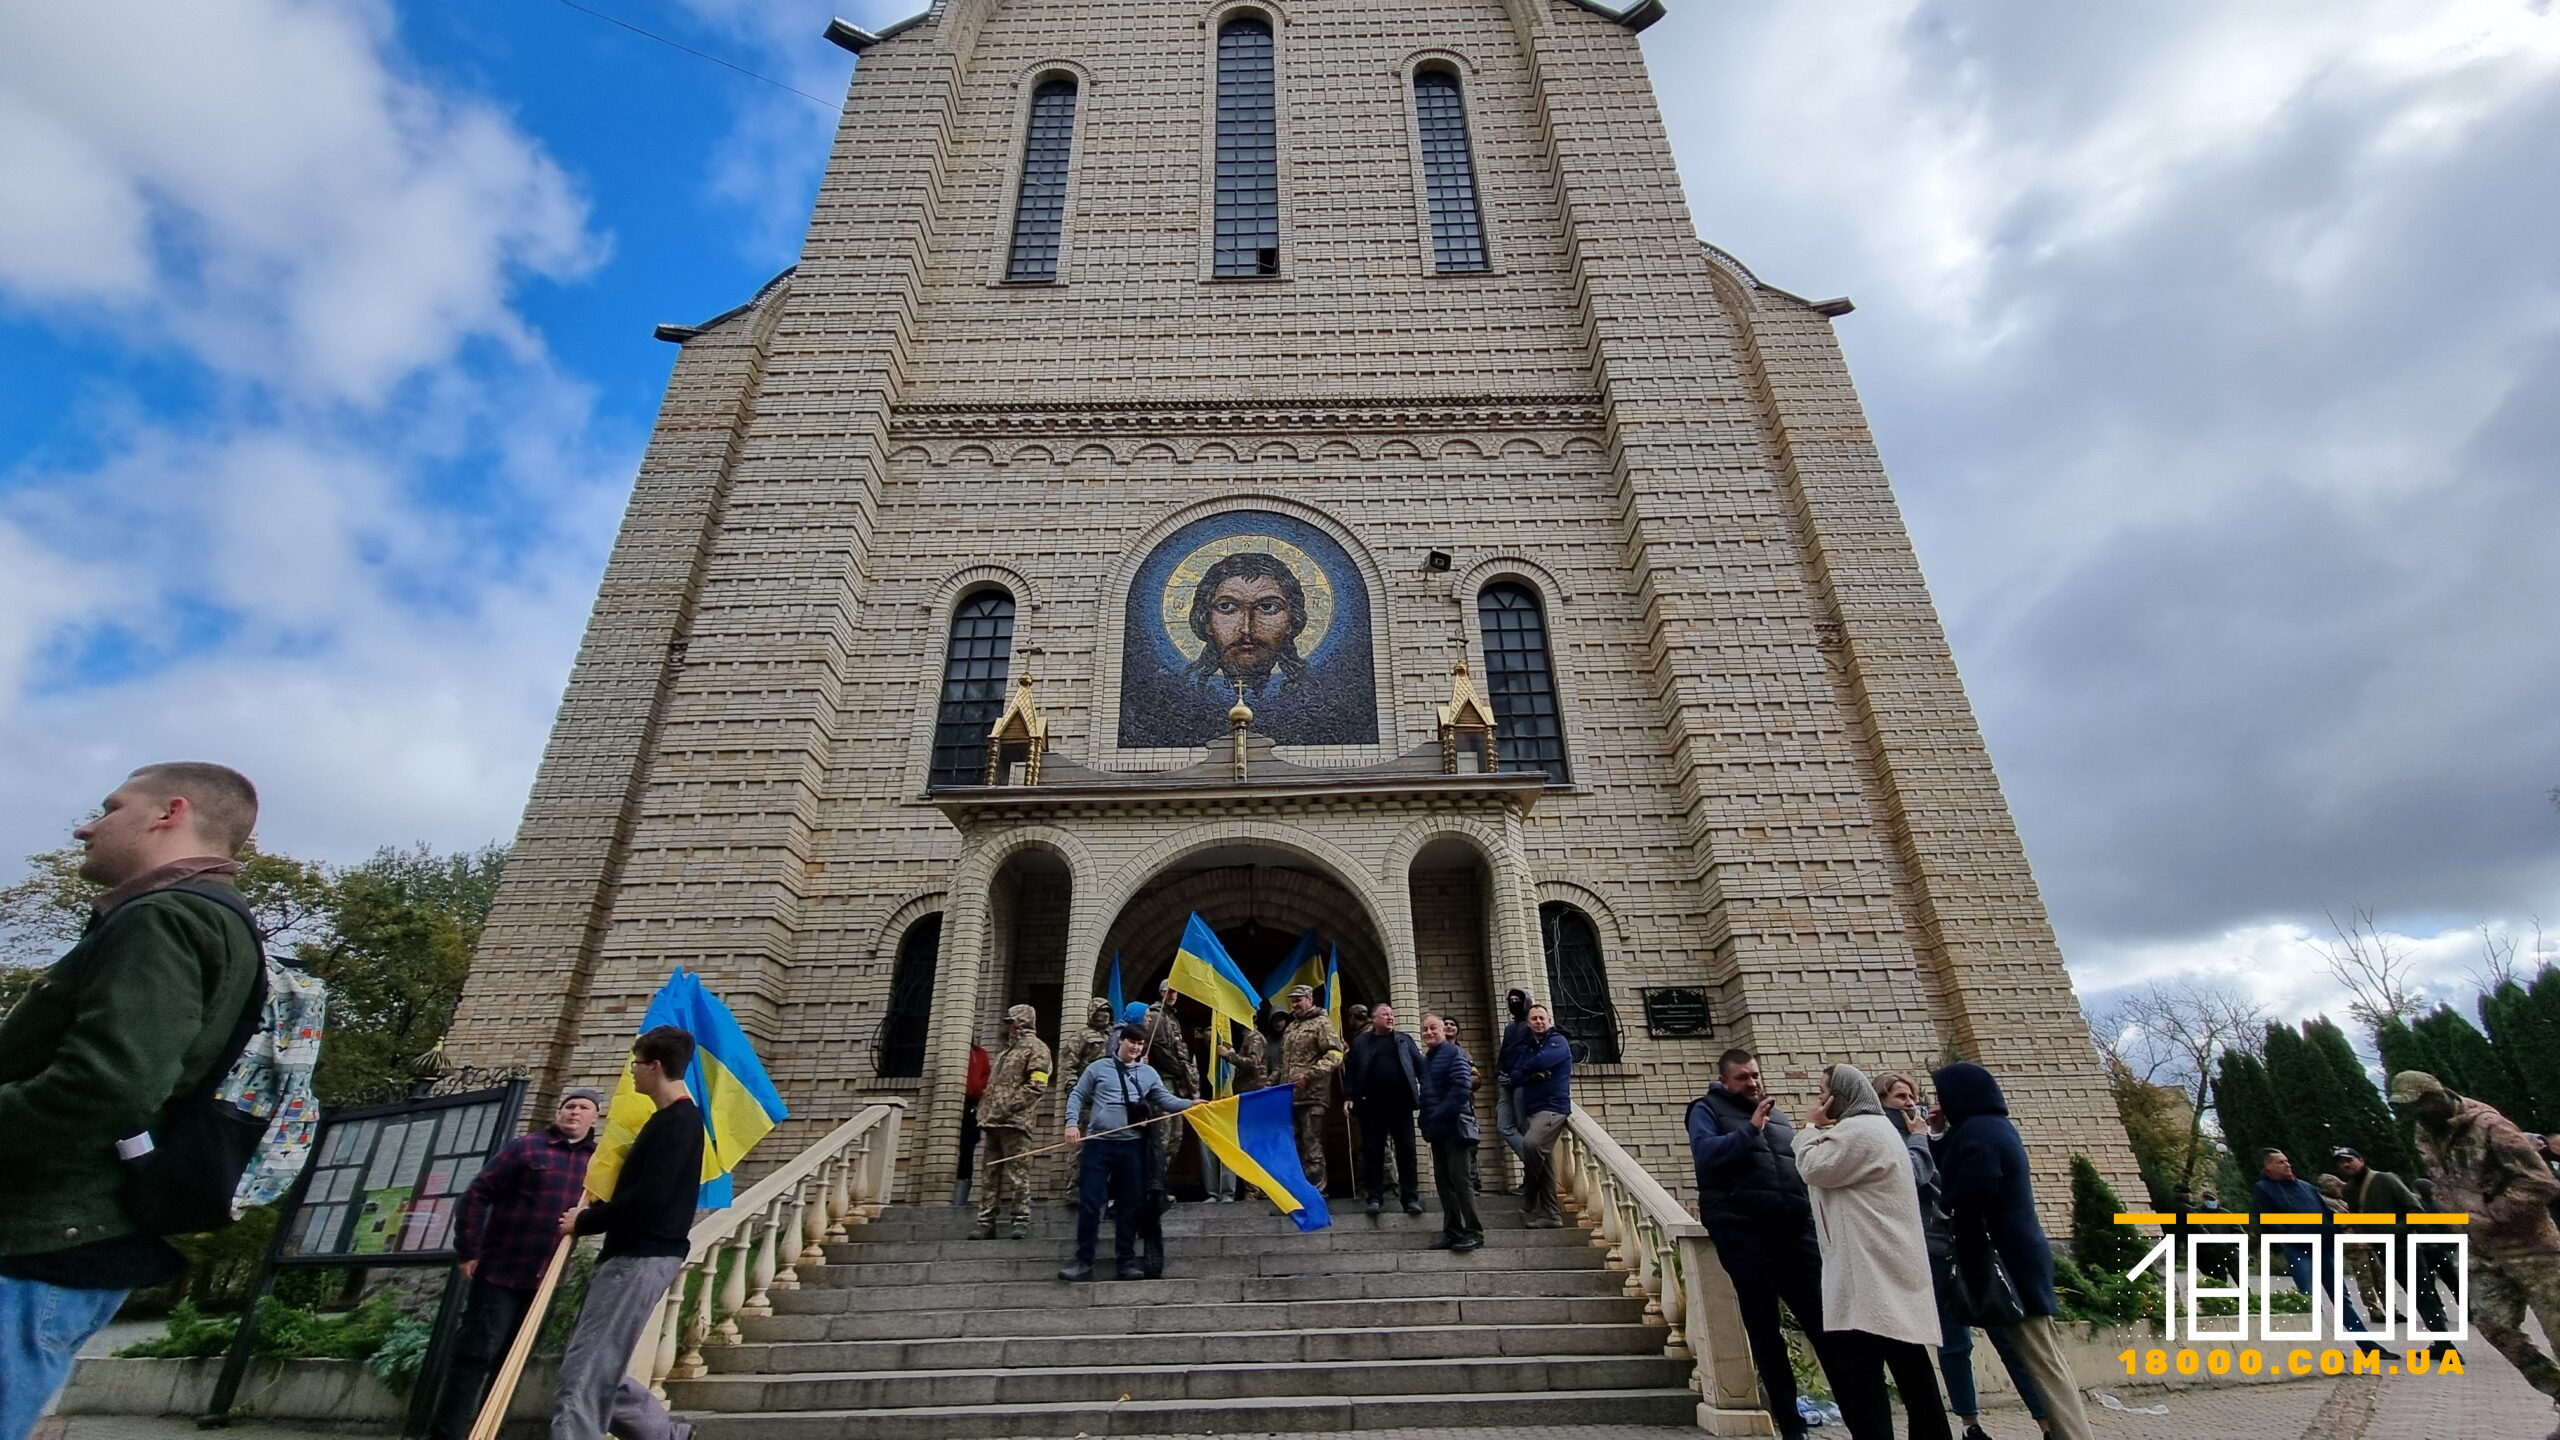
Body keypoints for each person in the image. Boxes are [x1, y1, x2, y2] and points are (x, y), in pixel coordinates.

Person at [0, 762, 266, 1440]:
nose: (88, 826)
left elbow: (110, 1085)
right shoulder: (204, 919)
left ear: (167, 813)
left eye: (110, 807)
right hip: (66, 1234)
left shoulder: (166, 918)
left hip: (46, 1235)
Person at [551, 1025, 704, 1440]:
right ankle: (669, 1436)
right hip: (631, 1255)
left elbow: (648, 1199)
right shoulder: (665, 1121)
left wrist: (584, 1222)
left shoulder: (679, 1123)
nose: (632, 1072)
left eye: (636, 1063)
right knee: (597, 1368)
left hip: (640, 1257)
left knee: (584, 1375)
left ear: (655, 1066)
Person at [1929, 1062, 2094, 1440]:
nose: (1937, 1103)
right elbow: (1961, 1171)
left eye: (1942, 1095)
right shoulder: (1988, 1127)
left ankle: (2074, 1435)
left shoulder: (1979, 1133)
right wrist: (1938, 1135)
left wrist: (1951, 1213)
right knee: (2043, 1358)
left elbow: (1974, 1188)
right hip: (2021, 1259)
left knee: (2043, 1364)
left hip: (2010, 1264)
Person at [427, 1089, 601, 1440]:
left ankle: (490, 1429)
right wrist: (469, 1250)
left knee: (514, 1360)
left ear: (594, 1118)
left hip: (547, 1277)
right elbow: (476, 1195)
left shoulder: (597, 1163)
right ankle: (449, 1433)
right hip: (501, 1271)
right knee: (476, 1354)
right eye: (569, 1106)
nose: (574, 1112)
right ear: (559, 1112)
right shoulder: (526, 1148)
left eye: (584, 1108)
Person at [1877, 1073, 2043, 1440]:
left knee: (2006, 1334)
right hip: (1932, 1249)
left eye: (1913, 1096)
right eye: (1900, 1096)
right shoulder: (1888, 1138)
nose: (1909, 1102)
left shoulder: (1934, 1134)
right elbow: (1914, 1178)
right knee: (1955, 1343)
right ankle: (1971, 1425)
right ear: (1882, 1101)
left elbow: (1954, 1174)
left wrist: (1935, 1135)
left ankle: (2045, 1420)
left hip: (1968, 1243)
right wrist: (1922, 1138)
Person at [2393, 1070, 2560, 1429]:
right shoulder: (2425, 1131)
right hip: (2480, 1249)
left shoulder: (2489, 1126)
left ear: (2435, 1095)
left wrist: (2491, 1215)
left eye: (2420, 1106)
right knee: (2493, 1326)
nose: (2416, 1115)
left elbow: (2542, 1182)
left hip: (2531, 1248)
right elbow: (2441, 1179)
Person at [1795, 1064, 1950, 1440]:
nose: (1819, 1099)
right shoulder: (1872, 1130)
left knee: (1863, 1382)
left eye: (1823, 1091)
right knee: (1911, 1372)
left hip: (1868, 1277)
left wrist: (1809, 1129)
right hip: (1879, 1269)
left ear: (1841, 1095)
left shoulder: (1861, 1131)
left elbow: (1814, 1167)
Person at [1688, 1048, 1836, 1440]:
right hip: (1744, 1233)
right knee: (1766, 1332)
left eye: (1755, 1075)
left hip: (1792, 1231)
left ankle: (1860, 1413)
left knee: (1824, 1325)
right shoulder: (1706, 1110)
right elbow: (1705, 1154)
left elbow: (1794, 1166)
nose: (1753, 1083)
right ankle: (1791, 1424)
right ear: (1724, 1082)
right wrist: (1750, 1129)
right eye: (1743, 1078)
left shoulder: (1781, 1116)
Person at [1060, 1025, 1195, 1281]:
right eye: (1131, 1042)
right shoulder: (1098, 1068)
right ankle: (1083, 1261)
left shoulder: (1148, 1073)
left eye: (1140, 1044)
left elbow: (1165, 1100)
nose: (1135, 1048)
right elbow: (1077, 1094)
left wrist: (1192, 1104)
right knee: (1090, 1203)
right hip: (1099, 1145)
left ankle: (1126, 1262)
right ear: (1120, 1041)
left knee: (1129, 1205)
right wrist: (1070, 1124)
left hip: (1132, 1147)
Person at [2249, 1148, 2374, 1345]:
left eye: (2287, 1160)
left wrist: (2334, 1231)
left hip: (2324, 1247)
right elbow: (2266, 1219)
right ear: (2268, 1167)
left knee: (2341, 1298)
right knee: (2310, 1298)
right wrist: (2290, 1235)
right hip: (2299, 1249)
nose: (2287, 1164)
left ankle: (2367, 1344)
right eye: (2280, 1162)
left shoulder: (2305, 1186)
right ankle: (2324, 1346)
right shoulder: (2264, 1188)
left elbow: (2325, 1212)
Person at [972, 1005, 1051, 1240]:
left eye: (1011, 1022)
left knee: (1018, 1174)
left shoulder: (1037, 1049)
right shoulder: (1005, 1052)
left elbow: (1037, 1084)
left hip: (1016, 1122)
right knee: (990, 1173)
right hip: (993, 1122)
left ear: (1022, 1022)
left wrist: (1008, 1106)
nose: (1008, 1026)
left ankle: (1020, 1218)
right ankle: (986, 1221)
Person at [1344, 1003, 1424, 1216]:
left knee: (1407, 1152)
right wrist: (1349, 1096)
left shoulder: (1404, 1040)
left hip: (1402, 1106)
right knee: (1373, 1153)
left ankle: (1410, 1199)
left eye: (1391, 1014)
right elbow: (1351, 1071)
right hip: (1372, 1107)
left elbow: (1421, 1068)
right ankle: (1374, 1197)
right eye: (1385, 1014)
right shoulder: (1362, 1042)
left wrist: (1430, 1093)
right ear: (1374, 1019)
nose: (1390, 1018)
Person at [1419, 1014, 1482, 1252]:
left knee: (1461, 1181)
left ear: (1444, 1032)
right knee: (1444, 1183)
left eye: (1433, 1028)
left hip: (1456, 1128)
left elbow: (1461, 1088)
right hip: (1438, 1131)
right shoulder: (1428, 1059)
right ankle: (1453, 1231)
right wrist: (1426, 1121)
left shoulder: (1454, 1054)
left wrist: (1439, 1115)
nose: (1429, 1032)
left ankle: (1474, 1231)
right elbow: (1427, 1093)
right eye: (1425, 1029)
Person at [1275, 984, 1346, 1192]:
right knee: (1293, 1145)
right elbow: (1282, 1064)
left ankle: (1316, 1191)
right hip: (1289, 1096)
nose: (1295, 1004)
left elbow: (1335, 1054)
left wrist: (1310, 1074)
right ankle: (1296, 1191)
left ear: (1310, 999)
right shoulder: (1291, 1027)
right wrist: (1270, 1085)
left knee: (1310, 1144)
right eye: (1292, 1000)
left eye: (1298, 1000)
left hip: (1312, 1096)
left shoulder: (1322, 1023)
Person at [1506, 1002, 1571, 1228]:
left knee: (1531, 1145)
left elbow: (1543, 1061)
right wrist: (1532, 1074)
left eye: (1542, 1018)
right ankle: (1551, 1214)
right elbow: (1514, 1076)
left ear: (1549, 1020)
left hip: (1553, 1107)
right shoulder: (1529, 1047)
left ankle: (1530, 1194)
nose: (1539, 1022)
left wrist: (1529, 1069)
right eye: (1534, 1019)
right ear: (1528, 1023)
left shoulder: (1558, 1041)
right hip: (1534, 1109)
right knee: (1545, 1164)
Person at [1203, 1022, 1267, 1201]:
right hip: (1246, 1098)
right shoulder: (1246, 1039)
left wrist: (1229, 1055)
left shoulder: (1254, 1037)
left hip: (1253, 1098)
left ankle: (1256, 1190)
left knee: (1251, 1145)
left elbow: (1254, 1063)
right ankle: (1253, 1190)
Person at [1494, 989, 1533, 1192]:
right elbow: (1505, 1053)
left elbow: (1530, 1055)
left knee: (1524, 1128)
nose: (1514, 1003)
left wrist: (1517, 1076)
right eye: (1511, 1000)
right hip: (1507, 1084)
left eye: (1518, 1000)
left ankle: (1533, 1173)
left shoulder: (1530, 1026)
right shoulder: (1511, 1028)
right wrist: (1500, 1072)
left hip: (1521, 1084)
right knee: (1504, 1126)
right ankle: (1536, 1164)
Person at [955, 1041, 990, 1206]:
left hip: (973, 1105)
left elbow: (986, 1076)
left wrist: (979, 1091)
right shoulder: (956, 1050)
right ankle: (956, 1197)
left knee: (968, 1149)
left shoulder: (980, 1054)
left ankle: (960, 1197)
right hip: (954, 1105)